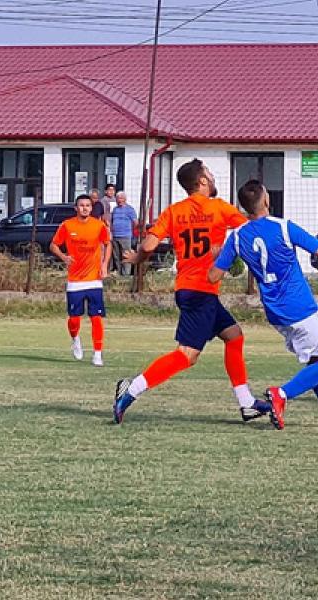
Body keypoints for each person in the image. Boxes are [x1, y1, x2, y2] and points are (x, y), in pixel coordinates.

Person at [113, 159, 265, 424]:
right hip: (200, 290)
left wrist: (137, 258)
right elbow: (250, 229)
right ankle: (132, 388)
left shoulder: (174, 211)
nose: (213, 176)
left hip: (189, 288)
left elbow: (148, 245)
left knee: (234, 336)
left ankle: (247, 403)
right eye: (209, 173)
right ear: (202, 181)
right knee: (187, 354)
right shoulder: (219, 208)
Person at [208, 180, 318, 429]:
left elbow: (213, 276)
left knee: (315, 361)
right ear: (265, 199)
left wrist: (218, 256)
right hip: (300, 306)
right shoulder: (283, 227)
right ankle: (281, 394)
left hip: (275, 312)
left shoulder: (237, 236)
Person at [49, 194, 112, 366]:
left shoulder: (98, 225)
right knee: (74, 319)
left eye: (88, 205)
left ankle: (97, 354)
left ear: (91, 208)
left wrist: (104, 265)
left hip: (94, 279)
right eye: (82, 205)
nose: (85, 208)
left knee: (96, 318)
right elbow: (53, 245)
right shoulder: (67, 225)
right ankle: (75, 339)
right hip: (75, 280)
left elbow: (108, 244)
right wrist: (64, 257)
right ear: (76, 208)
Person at [109, 191, 138, 276]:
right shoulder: (115, 209)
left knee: (126, 256)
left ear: (125, 199)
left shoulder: (130, 209)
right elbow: (112, 221)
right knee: (116, 256)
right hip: (115, 236)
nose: (119, 200)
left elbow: (135, 222)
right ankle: (119, 274)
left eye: (121, 198)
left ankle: (126, 276)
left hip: (125, 236)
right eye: (118, 198)